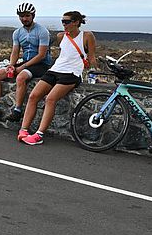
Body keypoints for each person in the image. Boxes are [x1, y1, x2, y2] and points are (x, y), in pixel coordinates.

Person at [19, 11, 98, 146]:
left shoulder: (87, 36)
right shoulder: (61, 36)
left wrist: (94, 74)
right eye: (62, 21)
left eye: (66, 22)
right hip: (55, 70)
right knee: (33, 96)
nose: (64, 24)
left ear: (76, 22)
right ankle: (24, 129)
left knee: (50, 99)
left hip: (72, 73)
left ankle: (39, 134)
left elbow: (91, 57)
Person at [0, 3, 52, 122]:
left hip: (41, 64)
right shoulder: (17, 33)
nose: (24, 19)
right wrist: (11, 65)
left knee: (21, 77)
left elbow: (41, 55)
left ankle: (17, 110)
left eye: (27, 16)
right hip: (25, 62)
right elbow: (15, 52)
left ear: (33, 15)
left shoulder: (42, 31)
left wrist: (22, 67)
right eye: (21, 16)